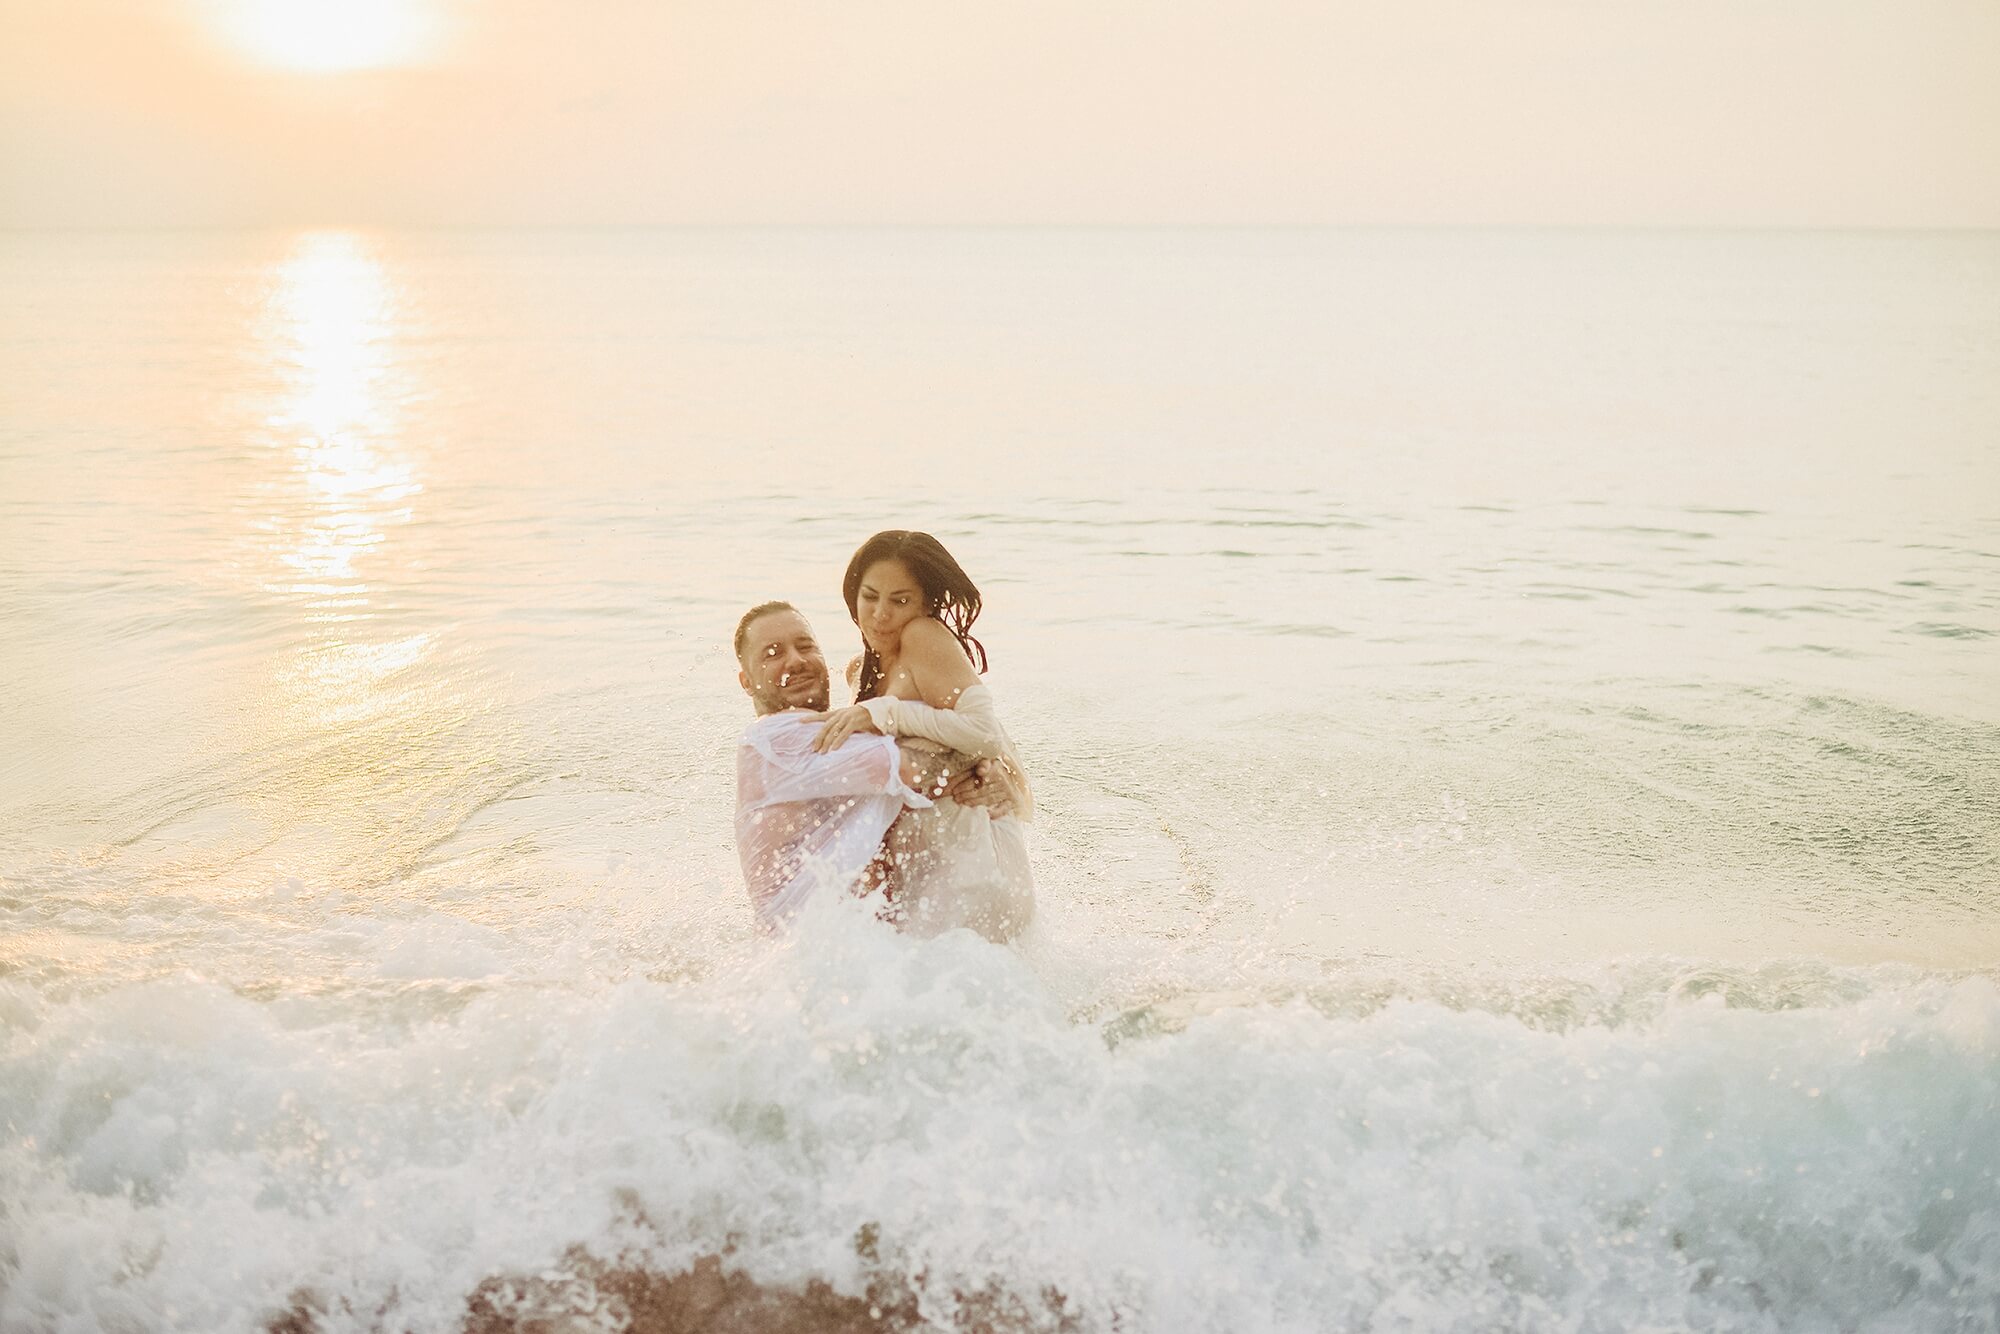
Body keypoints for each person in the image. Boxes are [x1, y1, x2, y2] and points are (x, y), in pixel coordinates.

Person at [732, 600, 1021, 935]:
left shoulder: (833, 736)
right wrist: (981, 761)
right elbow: (914, 769)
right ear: (747, 682)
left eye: (805, 646)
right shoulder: (774, 740)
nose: (795, 661)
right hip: (821, 950)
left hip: (856, 949)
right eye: (772, 653)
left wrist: (992, 772)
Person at [808, 531, 1036, 940]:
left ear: (926, 604)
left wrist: (885, 712)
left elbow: (985, 734)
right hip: (928, 866)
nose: (880, 614)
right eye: (870, 596)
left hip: (973, 863)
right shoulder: (860, 671)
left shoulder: (923, 637)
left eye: (900, 600)